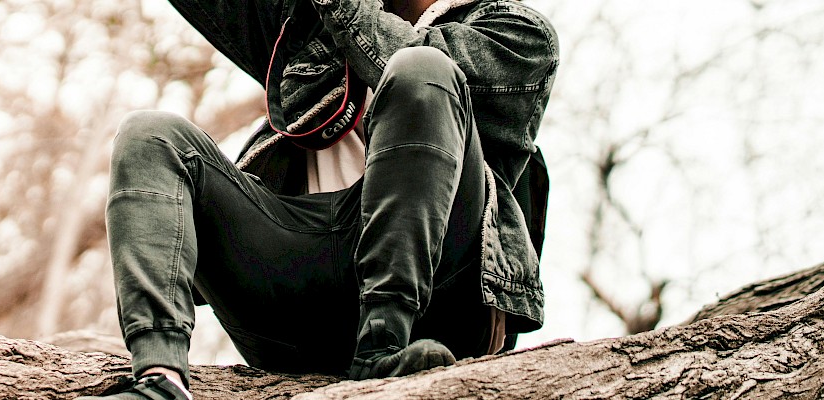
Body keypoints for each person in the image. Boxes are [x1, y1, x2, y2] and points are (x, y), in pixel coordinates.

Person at [82, 0, 555, 396]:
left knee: (422, 69)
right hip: (295, 288)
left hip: (437, 296)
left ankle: (383, 345)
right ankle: (160, 377)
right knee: (150, 136)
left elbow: (410, 58)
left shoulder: (517, 33)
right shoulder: (310, 24)